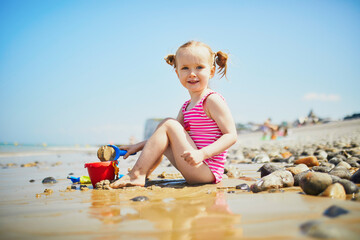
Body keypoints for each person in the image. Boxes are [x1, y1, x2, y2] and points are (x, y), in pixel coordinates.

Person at [105, 40, 237, 188]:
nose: (192, 73)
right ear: (177, 73)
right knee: (165, 136)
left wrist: (203, 154)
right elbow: (163, 137)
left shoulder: (212, 100)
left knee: (168, 123)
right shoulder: (186, 106)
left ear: (211, 71)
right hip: (193, 165)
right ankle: (143, 174)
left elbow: (231, 136)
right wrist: (138, 146)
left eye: (199, 67)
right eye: (185, 68)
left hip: (206, 170)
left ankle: (137, 174)